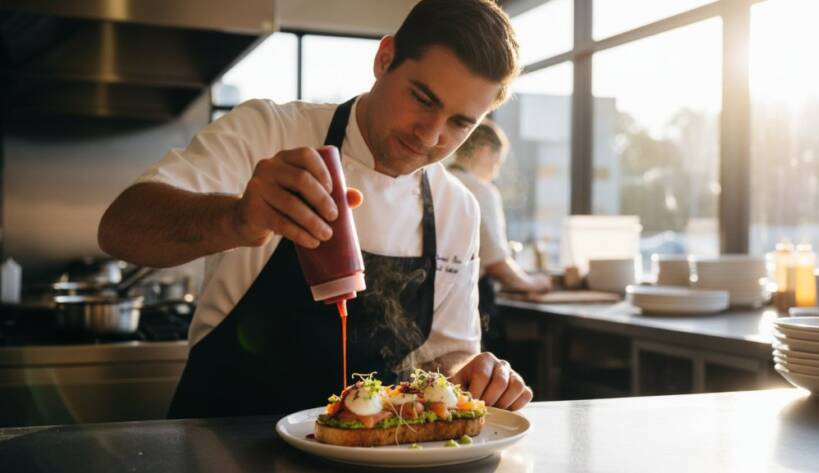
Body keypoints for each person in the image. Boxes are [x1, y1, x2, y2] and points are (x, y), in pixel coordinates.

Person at [98, 0, 533, 419]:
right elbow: (120, 229)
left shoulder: (457, 208)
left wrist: (471, 376)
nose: (431, 136)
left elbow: (443, 358)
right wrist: (235, 218)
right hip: (220, 441)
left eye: (461, 123)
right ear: (384, 59)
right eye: (422, 98)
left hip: (369, 452)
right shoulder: (268, 131)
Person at [448, 121, 551, 347]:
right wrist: (534, 283)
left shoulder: (438, 182)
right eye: (497, 163)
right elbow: (497, 263)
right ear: (485, 152)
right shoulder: (480, 190)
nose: (496, 171)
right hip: (471, 301)